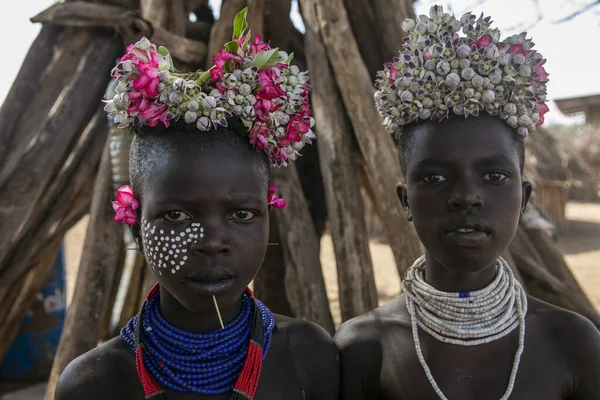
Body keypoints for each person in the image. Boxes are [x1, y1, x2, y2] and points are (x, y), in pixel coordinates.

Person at [55, 9, 338, 400]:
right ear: (136, 223)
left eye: (241, 214)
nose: (211, 241)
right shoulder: (94, 384)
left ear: (268, 219)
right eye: (176, 215)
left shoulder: (309, 358)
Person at [335, 5, 600, 400]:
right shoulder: (363, 348)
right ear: (405, 201)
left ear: (524, 198)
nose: (466, 197)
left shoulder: (574, 343)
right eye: (436, 178)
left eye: (494, 176)